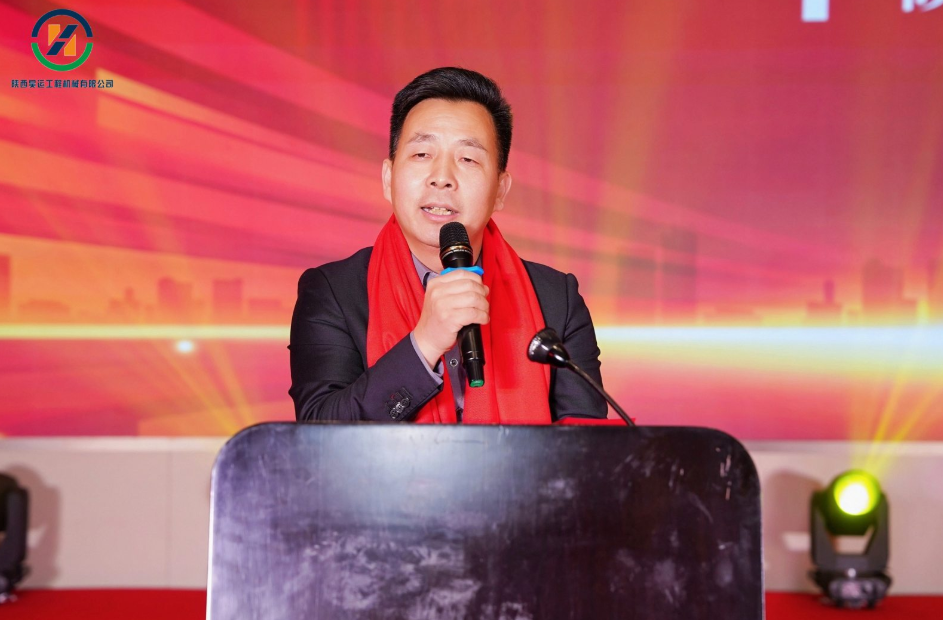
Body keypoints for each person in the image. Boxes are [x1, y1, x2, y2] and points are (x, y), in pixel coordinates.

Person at [289, 67, 607, 424]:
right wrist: (424, 343)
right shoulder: (332, 293)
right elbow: (315, 434)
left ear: (500, 190)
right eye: (422, 154)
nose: (442, 178)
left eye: (467, 159)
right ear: (388, 178)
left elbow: (589, 443)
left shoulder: (557, 300)